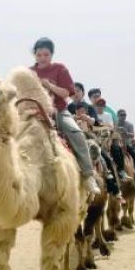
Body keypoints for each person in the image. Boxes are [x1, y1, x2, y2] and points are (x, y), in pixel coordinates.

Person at [29, 39, 100, 196]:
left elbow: (67, 94)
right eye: (39, 54)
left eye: (46, 54)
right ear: (35, 54)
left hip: (58, 111)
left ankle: (89, 175)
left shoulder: (60, 69)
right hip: (34, 112)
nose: (42, 58)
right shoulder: (29, 72)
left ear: (51, 55)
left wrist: (49, 86)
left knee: (77, 134)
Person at [113, 109, 135, 184]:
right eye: (121, 115)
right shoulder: (114, 124)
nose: (123, 116)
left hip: (127, 144)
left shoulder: (129, 124)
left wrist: (126, 133)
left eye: (124, 115)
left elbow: (133, 135)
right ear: (118, 116)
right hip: (116, 144)